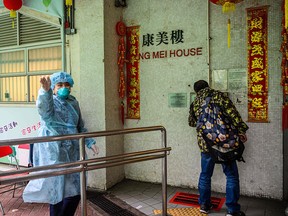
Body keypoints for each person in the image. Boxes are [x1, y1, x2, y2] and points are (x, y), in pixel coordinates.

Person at [23, 72, 99, 216]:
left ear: (71, 87)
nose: (64, 87)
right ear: (54, 87)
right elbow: (45, 111)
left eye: (67, 84)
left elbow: (80, 126)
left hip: (73, 149)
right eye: (60, 85)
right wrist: (45, 92)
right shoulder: (51, 100)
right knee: (56, 189)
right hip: (54, 150)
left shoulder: (74, 103)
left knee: (76, 188)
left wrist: (89, 142)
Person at [188, 80, 249, 216]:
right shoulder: (219, 96)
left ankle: (204, 205)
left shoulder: (195, 102)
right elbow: (233, 114)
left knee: (205, 175)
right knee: (231, 175)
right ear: (207, 86)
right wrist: (241, 130)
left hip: (206, 145)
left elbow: (191, 122)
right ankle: (232, 210)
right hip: (224, 143)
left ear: (197, 91)